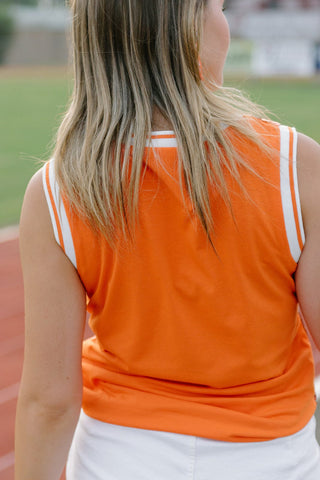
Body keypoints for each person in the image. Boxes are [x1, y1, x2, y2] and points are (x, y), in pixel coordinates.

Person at [15, 0, 320, 479]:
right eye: (217, 8)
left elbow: (49, 401)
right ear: (189, 31)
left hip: (116, 457)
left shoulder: (57, 189)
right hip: (272, 459)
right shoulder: (295, 167)